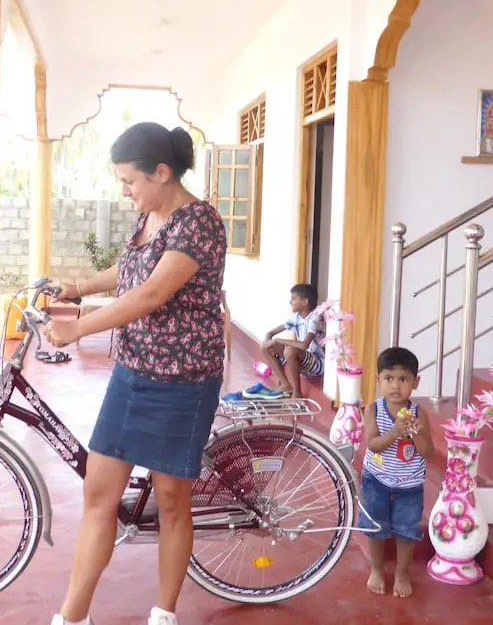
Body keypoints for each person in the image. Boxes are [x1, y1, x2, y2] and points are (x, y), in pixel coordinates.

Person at [43, 121, 227, 625]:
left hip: (183, 381)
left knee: (171, 501)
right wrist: (78, 287)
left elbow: (150, 294)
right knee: (99, 495)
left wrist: (78, 328)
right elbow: (130, 271)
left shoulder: (199, 223)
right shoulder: (148, 215)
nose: (125, 190)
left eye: (129, 180)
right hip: (132, 374)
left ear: (161, 172)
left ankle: (164, 613)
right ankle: (72, 617)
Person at [355, 346, 434, 598]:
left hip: (409, 484)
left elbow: (428, 452)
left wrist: (415, 433)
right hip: (376, 480)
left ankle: (402, 572)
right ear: (378, 380)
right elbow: (373, 444)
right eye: (389, 378)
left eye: (403, 379)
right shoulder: (373, 409)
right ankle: (377, 568)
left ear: (415, 382)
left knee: (406, 530)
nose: (395, 386)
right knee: (375, 526)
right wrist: (395, 432)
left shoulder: (419, 414)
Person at [221, 283, 325, 401]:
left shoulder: (314, 318)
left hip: (318, 364)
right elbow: (271, 332)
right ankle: (286, 385)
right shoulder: (298, 317)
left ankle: (297, 392)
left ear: (305, 301)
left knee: (290, 351)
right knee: (268, 347)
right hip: (304, 360)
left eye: (293, 299)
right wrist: (267, 342)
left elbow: (304, 345)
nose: (290, 302)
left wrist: (277, 340)